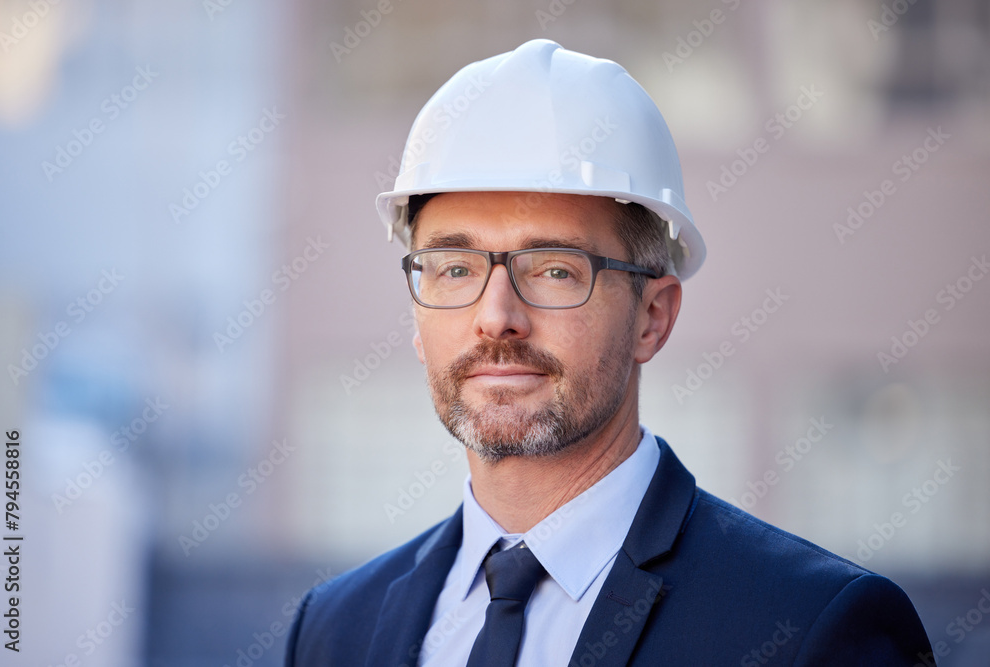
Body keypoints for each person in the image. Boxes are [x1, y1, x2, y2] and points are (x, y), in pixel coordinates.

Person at [285, 39, 933, 666]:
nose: (496, 318)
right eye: (454, 268)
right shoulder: (333, 629)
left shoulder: (811, 627)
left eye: (555, 270)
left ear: (654, 317)